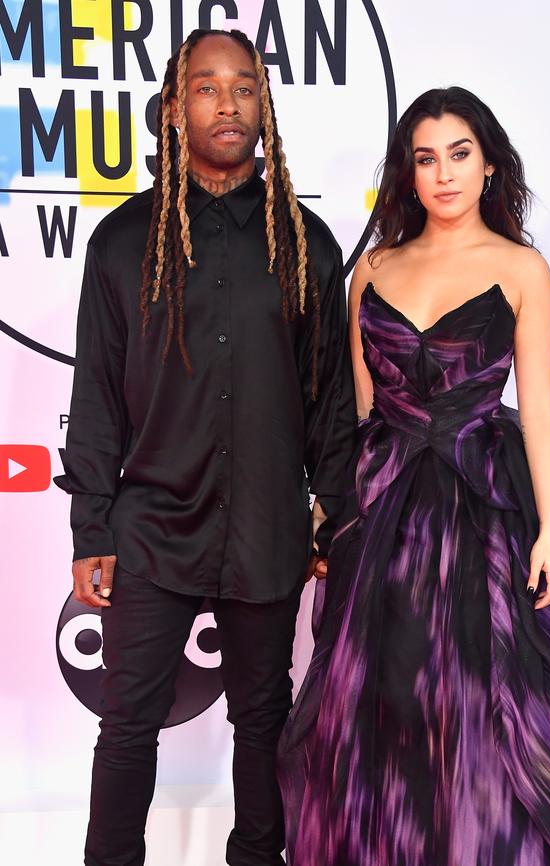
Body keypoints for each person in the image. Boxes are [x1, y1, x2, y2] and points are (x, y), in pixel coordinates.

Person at [278, 87, 550, 866]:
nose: (444, 174)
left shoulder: (521, 269)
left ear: (490, 164)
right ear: (407, 173)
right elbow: (359, 416)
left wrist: (547, 533)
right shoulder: (370, 270)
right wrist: (329, 514)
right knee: (382, 707)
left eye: (459, 155)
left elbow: (538, 408)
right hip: (385, 517)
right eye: (426, 158)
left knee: (481, 709)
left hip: (481, 512)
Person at [54, 28, 356, 866]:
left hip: (267, 525)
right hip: (151, 527)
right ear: (174, 108)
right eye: (206, 86)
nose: (228, 101)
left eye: (245, 86)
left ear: (264, 105)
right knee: (127, 725)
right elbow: (97, 400)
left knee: (264, 719)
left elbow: (330, 398)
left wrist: (335, 517)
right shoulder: (121, 243)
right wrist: (93, 530)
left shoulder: (306, 244)